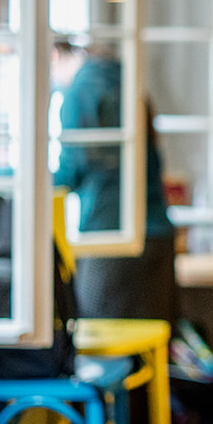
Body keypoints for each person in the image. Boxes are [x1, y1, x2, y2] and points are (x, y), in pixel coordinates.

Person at [51, 40, 177, 325]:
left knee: (99, 343)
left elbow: (71, 171)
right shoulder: (129, 84)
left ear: (55, 56)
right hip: (157, 231)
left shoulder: (78, 93)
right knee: (149, 348)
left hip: (110, 237)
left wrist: (15, 179)